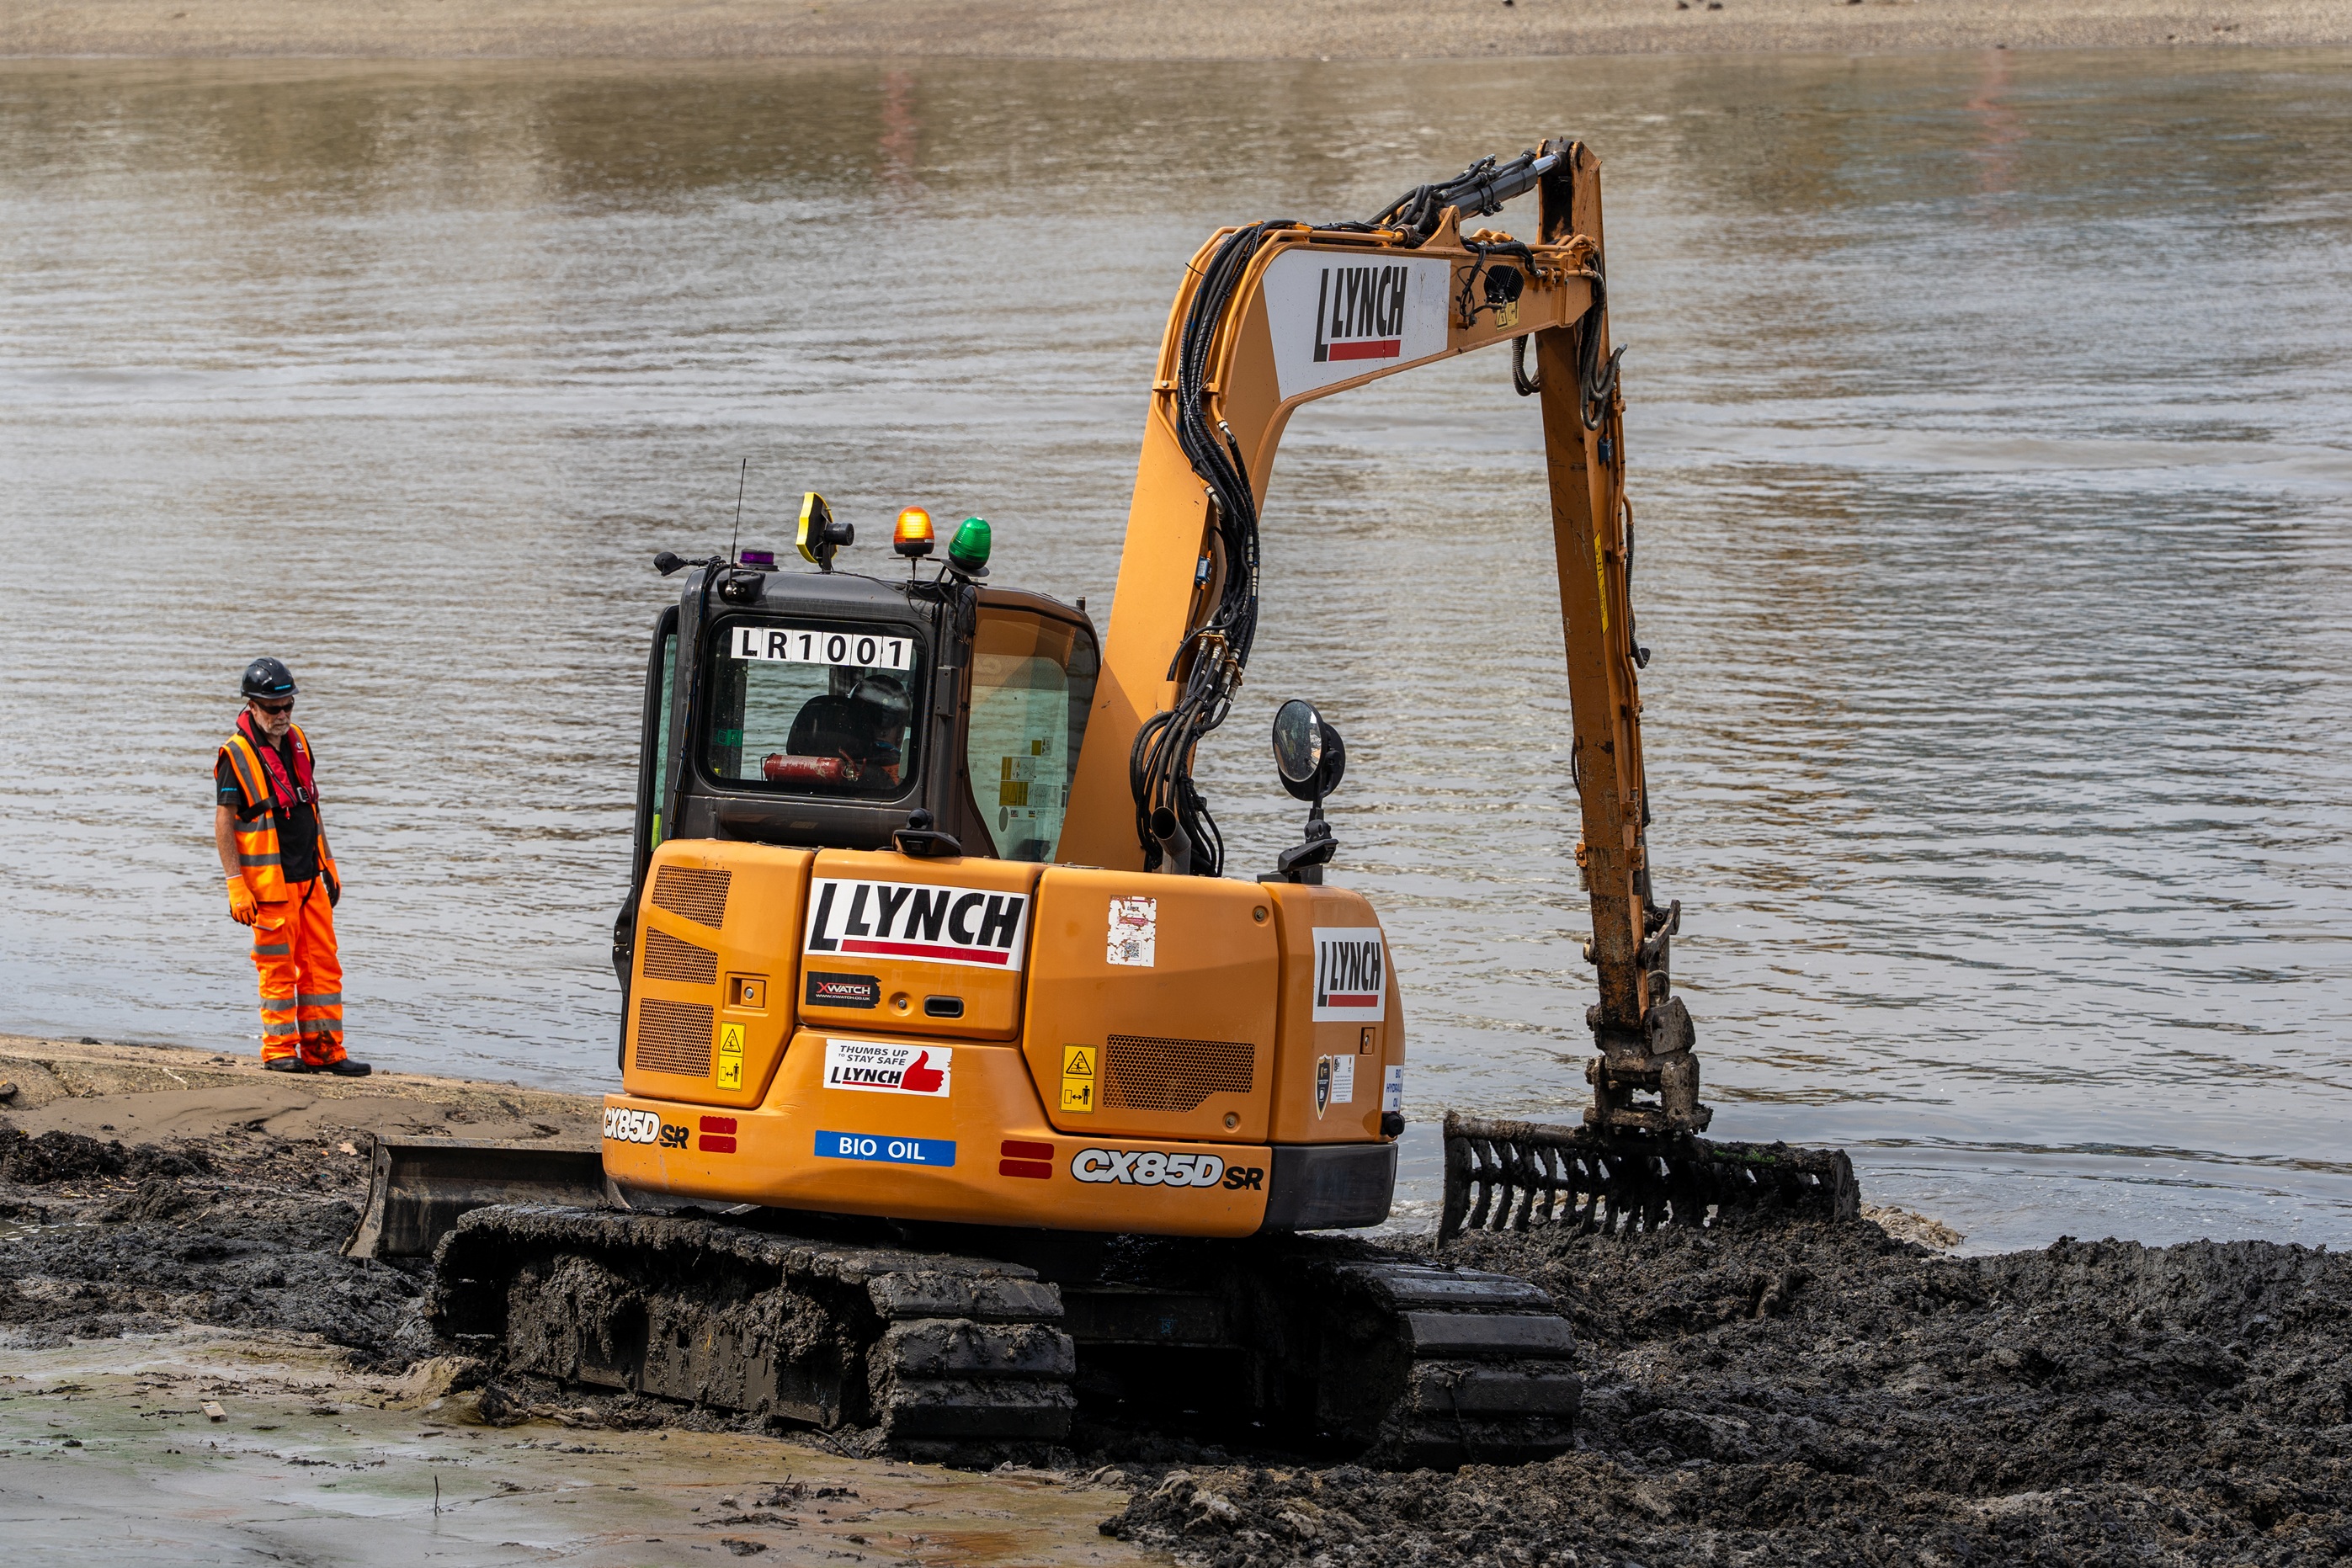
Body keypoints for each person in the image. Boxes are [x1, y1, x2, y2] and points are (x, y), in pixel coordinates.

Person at [214, 657, 369, 1076]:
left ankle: (325, 1051)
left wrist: (329, 863)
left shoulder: (298, 740)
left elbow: (310, 807)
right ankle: (279, 1051)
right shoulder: (236, 754)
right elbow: (224, 822)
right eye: (272, 708)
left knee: (323, 966)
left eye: (288, 706)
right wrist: (235, 884)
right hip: (269, 886)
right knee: (278, 972)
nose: (282, 715)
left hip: (309, 878)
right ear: (252, 706)